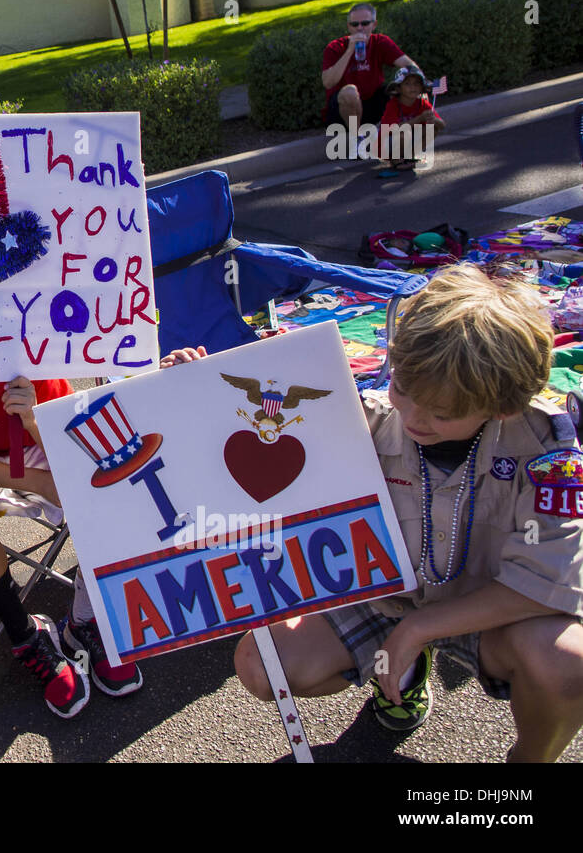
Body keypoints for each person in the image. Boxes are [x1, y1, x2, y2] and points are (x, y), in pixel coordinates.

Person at [227, 266, 583, 762]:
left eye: (442, 412)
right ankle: (404, 674)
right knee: (264, 662)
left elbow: (542, 582)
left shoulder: (550, 452)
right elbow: (243, 428)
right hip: (386, 600)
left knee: (568, 664)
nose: (414, 418)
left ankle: (530, 761)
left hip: (488, 609)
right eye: (403, 389)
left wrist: (420, 628)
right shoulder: (365, 417)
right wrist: (191, 383)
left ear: (503, 405)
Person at [0, 351, 201, 718]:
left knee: (104, 482)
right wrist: (42, 483)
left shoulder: (28, 336)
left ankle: (88, 619)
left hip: (36, 446)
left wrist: (33, 421)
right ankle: (26, 636)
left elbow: (73, 443)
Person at [321, 3, 419, 140]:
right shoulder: (335, 47)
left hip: (372, 104)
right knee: (349, 92)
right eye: (354, 24)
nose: (359, 28)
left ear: (374, 24)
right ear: (349, 27)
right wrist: (349, 50)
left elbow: (409, 65)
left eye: (365, 23)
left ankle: (395, 135)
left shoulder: (380, 42)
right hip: (343, 112)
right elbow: (328, 82)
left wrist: (420, 83)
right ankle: (358, 140)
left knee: (398, 88)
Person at [377, 65, 445, 172]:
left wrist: (433, 119)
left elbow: (442, 125)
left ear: (421, 87)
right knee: (402, 133)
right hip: (387, 144)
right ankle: (396, 160)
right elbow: (393, 129)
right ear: (398, 88)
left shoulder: (422, 103)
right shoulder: (393, 104)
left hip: (407, 140)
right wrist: (419, 119)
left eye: (416, 84)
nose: (412, 87)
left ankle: (410, 156)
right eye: (407, 84)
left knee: (432, 129)